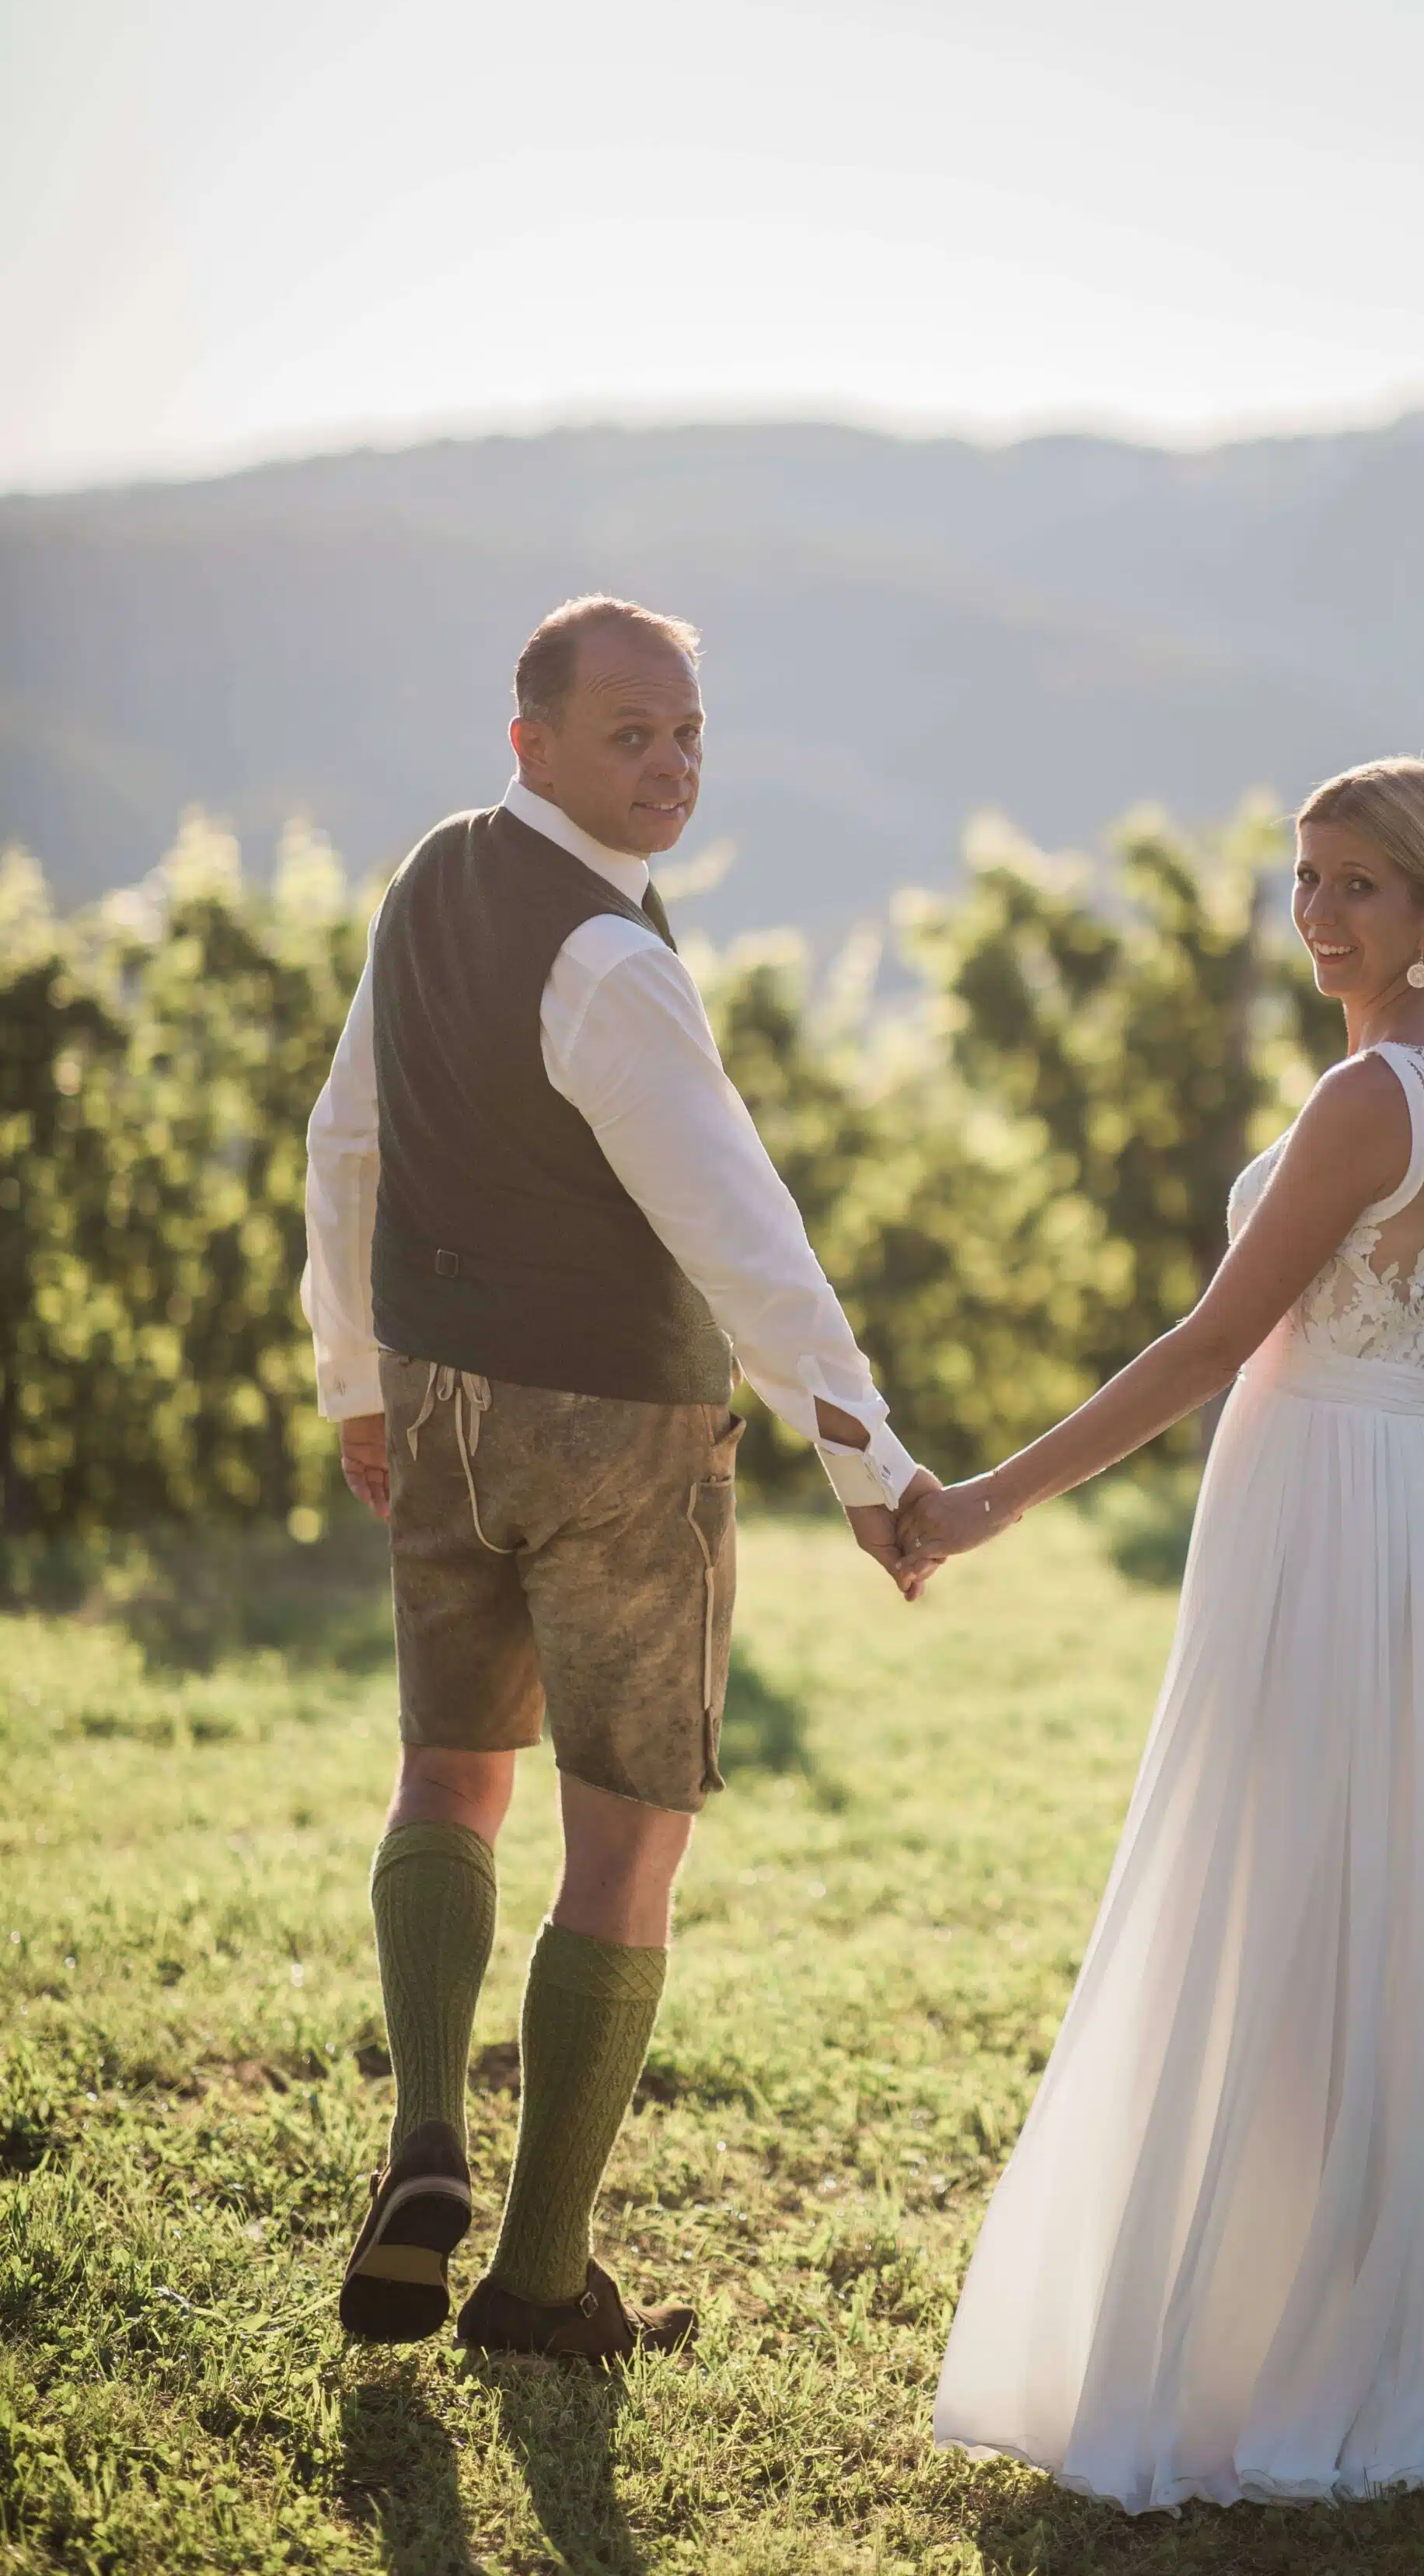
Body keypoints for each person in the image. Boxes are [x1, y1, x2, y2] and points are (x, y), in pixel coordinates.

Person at [904, 758, 1424, 2510]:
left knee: (1272, 1891)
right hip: (1423, 1488)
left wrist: (984, 1504)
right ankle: (1370, 2313)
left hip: (1326, 1499)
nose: (1316, 913)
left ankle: (1270, 2341)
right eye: (1306, 877)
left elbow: (1205, 1347)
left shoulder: (1366, 1094)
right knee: (1376, 1897)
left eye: (1358, 886)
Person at [303, 596, 937, 2361]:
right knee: (628, 1835)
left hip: (436, 1401)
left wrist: (356, 1379)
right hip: (616, 1438)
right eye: (630, 735)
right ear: (532, 742)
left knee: (448, 1771)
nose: (670, 768)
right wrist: (865, 1456)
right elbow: (742, 1229)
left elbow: (345, 1140)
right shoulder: (612, 959)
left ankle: (426, 2132)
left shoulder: (426, 880)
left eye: (688, 735)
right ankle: (537, 2283)